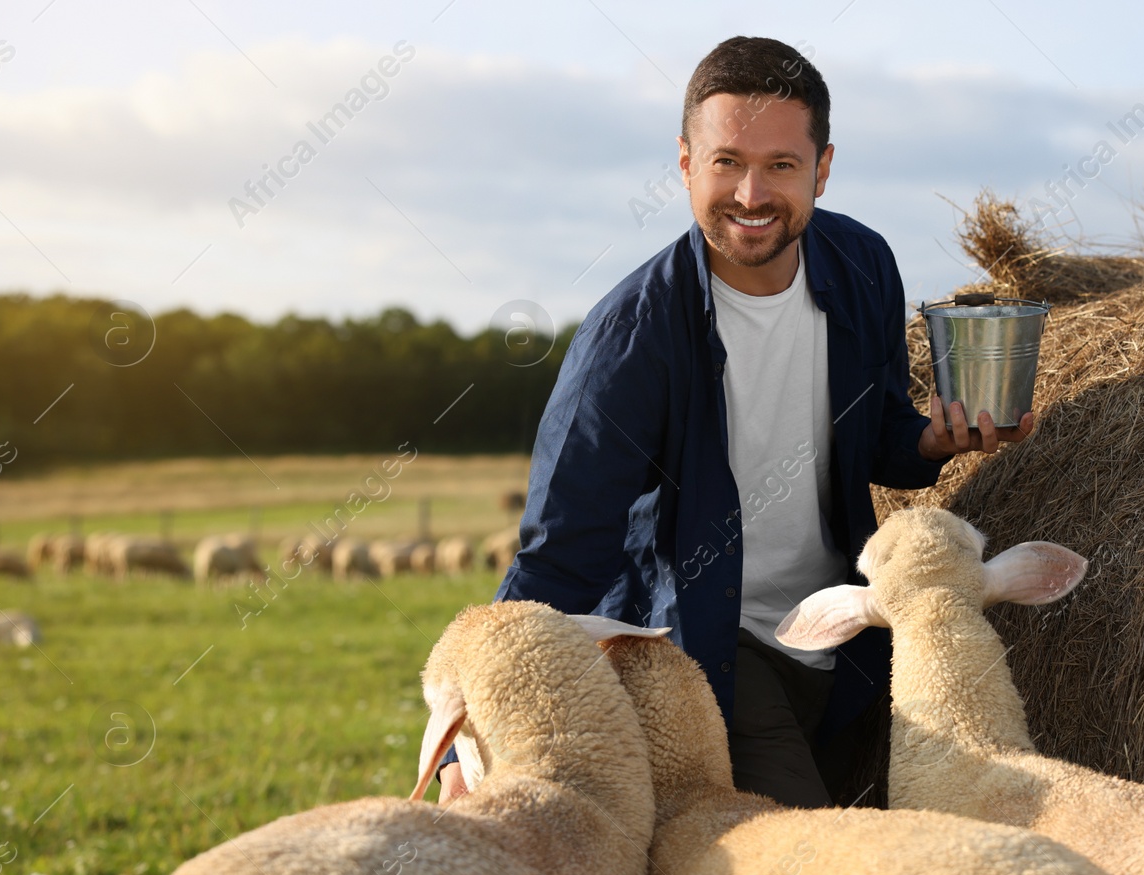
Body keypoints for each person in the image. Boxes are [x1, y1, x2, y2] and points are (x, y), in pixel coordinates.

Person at [437, 35, 1029, 807]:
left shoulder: (864, 268)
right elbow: (560, 556)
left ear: (822, 168)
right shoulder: (630, 341)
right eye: (726, 163)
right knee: (818, 863)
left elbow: (873, 427)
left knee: (965, 812)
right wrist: (465, 727)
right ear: (685, 163)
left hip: (847, 628)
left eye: (781, 165)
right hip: (716, 652)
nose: (751, 194)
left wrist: (928, 442)